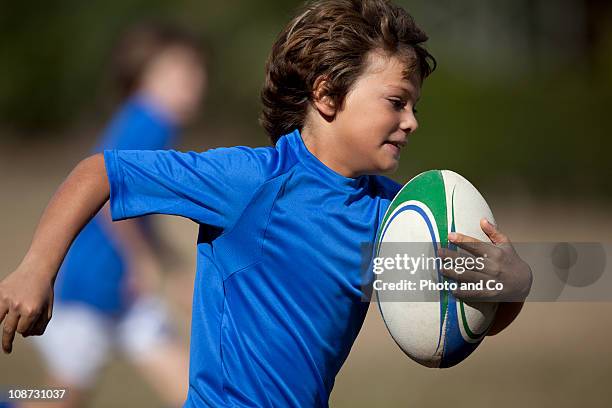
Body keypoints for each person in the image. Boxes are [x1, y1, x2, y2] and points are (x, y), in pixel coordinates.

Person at [0, 1, 532, 407]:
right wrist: (36, 268)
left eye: (414, 106)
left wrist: (512, 286)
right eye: (396, 102)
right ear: (326, 96)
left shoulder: (394, 218)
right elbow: (102, 171)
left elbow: (454, 322)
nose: (412, 121)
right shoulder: (252, 182)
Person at [20, 22, 206, 408]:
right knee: (57, 399)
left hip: (127, 295)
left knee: (192, 391)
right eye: (180, 72)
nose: (195, 81)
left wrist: (169, 264)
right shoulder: (150, 120)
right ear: (142, 78)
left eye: (196, 71)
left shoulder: (147, 121)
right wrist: (142, 262)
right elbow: (107, 197)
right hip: (96, 287)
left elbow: (134, 211)